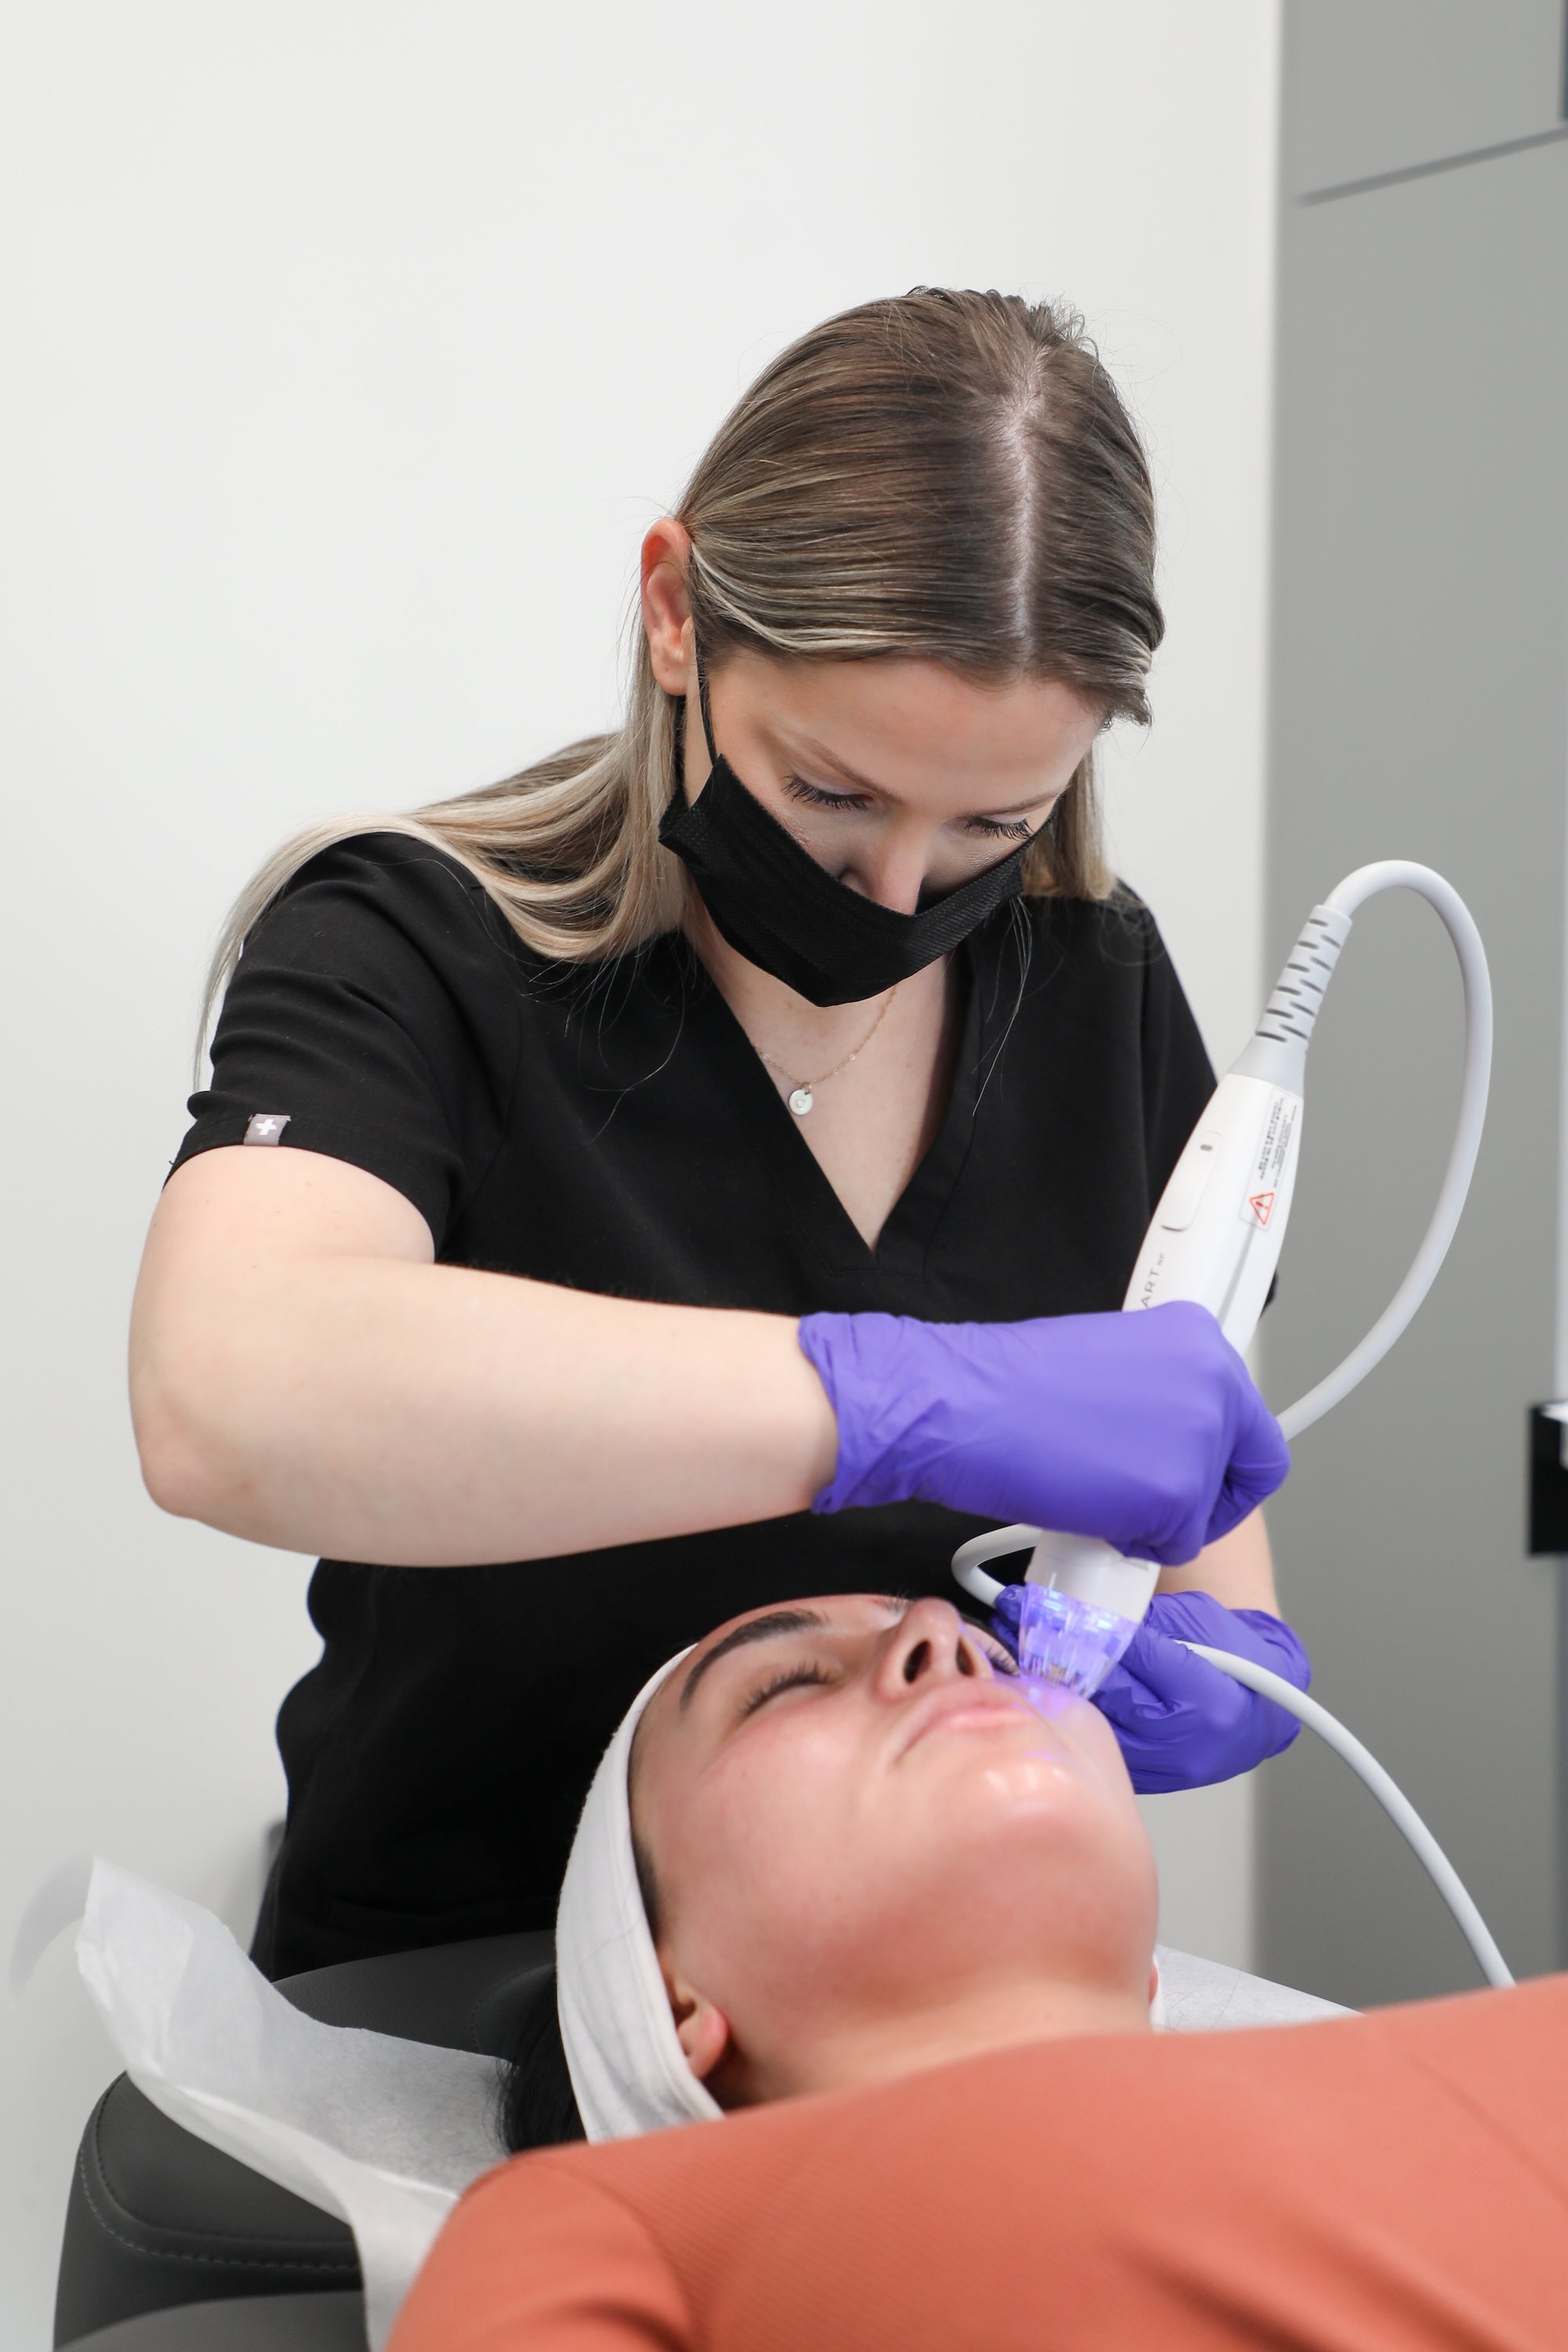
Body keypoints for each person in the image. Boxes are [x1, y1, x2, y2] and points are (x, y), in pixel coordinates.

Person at [129, 287, 1295, 1984]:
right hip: (452, 1991)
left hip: (916, 2002)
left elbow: (1193, 1525)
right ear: (678, 617)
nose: (900, 893)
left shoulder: (1095, 992)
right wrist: (887, 1402)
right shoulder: (420, 945)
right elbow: (224, 1391)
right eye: (832, 792)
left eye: (995, 822)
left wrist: (1217, 1647)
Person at [391, 1595, 1568, 2352]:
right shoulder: (618, 2224)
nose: (947, 1639)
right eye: (787, 1683)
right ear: (672, 2001)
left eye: (999, 1649)